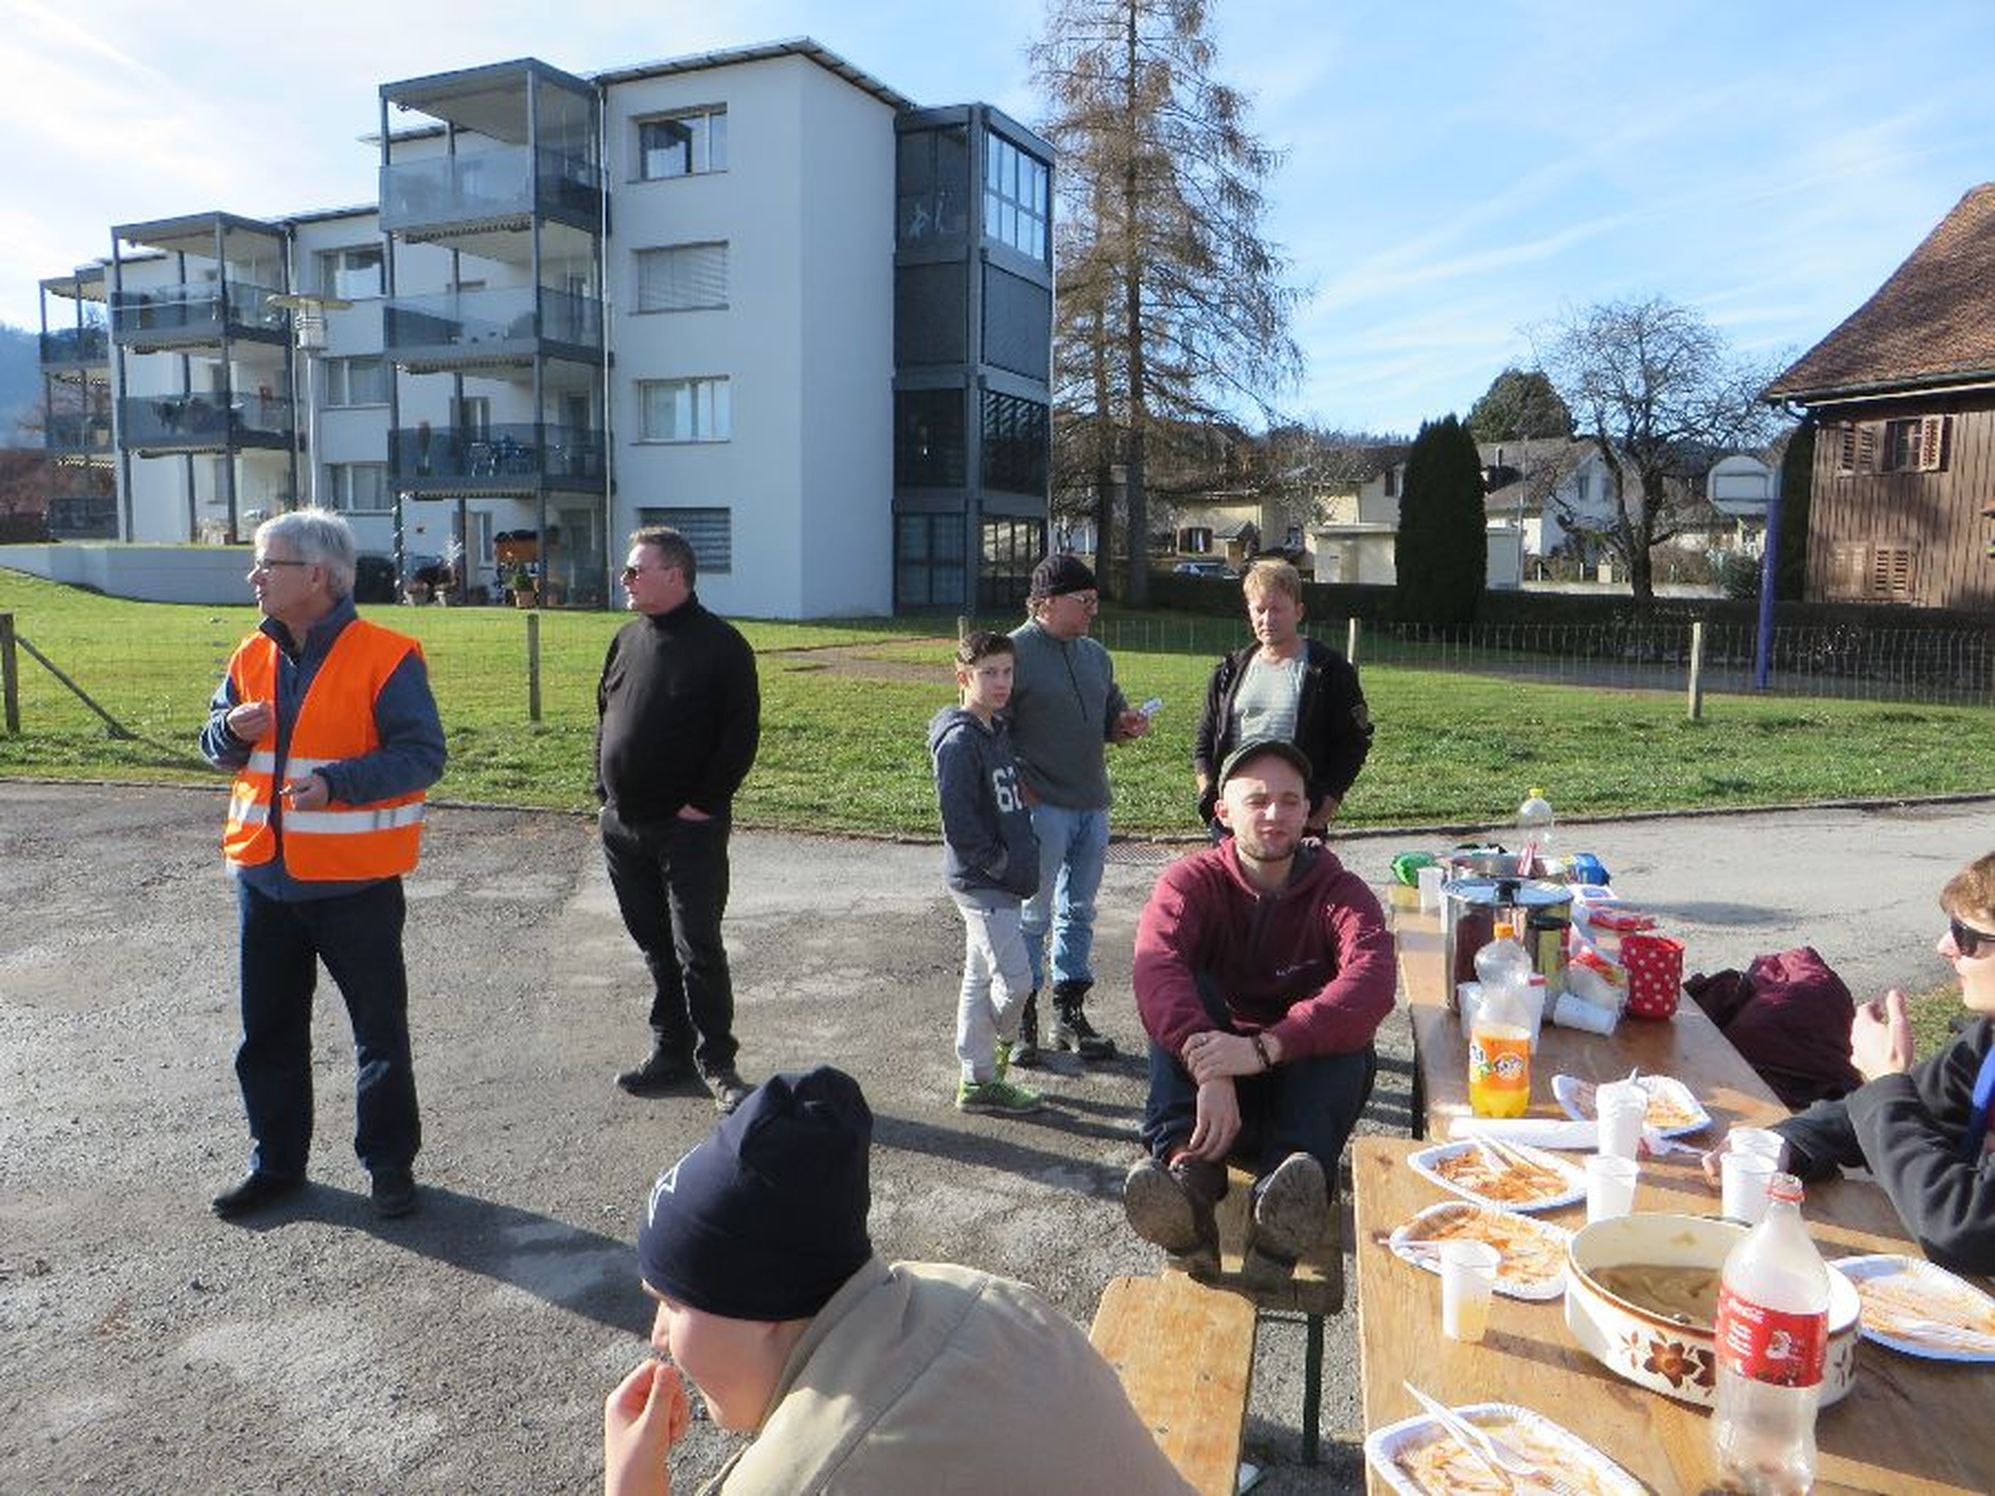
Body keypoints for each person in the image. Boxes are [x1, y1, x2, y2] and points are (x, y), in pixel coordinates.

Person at [602, 1067, 1195, 1496]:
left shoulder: (801, 1480)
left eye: (673, 1304)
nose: (657, 1335)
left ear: (756, 1305)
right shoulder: (979, 1293)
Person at [199, 508, 447, 1220]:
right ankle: (276, 1165)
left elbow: (421, 756)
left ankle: (389, 1167)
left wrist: (337, 784)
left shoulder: (386, 656)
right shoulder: (252, 652)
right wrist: (227, 731)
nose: (254, 576)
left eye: (267, 564)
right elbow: (212, 743)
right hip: (265, 881)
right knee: (267, 1033)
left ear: (317, 576)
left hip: (353, 886)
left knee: (378, 1032)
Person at [1125, 739, 1397, 1276]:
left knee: (1344, 1031)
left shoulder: (1340, 891)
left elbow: (1373, 982)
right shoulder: (1191, 882)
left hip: (1301, 1097)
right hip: (1214, 1106)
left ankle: (1283, 1206)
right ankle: (1188, 1182)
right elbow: (1155, 968)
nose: (1274, 814)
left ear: (1308, 811)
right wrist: (1213, 1067)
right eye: (1257, 800)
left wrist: (1263, 1048)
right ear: (1223, 812)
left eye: (1289, 800)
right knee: (1182, 995)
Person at [1702, 852, 1995, 1275]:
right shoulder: (1987, 1042)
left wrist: (1885, 1083)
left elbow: (1961, 1228)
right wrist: (1785, 1144)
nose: (1944, 946)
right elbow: (1873, 1117)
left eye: (1966, 936)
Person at [598, 526, 760, 1116]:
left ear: (675, 575)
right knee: (655, 947)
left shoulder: (722, 646)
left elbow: (740, 737)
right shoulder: (625, 639)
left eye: (635, 570)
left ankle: (717, 1062)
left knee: (698, 947)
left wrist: (702, 804)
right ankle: (671, 1053)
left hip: (687, 830)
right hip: (624, 827)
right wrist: (603, 795)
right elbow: (605, 716)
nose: (625, 579)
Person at [1006, 554, 1152, 1065]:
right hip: (1041, 808)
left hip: (1093, 804)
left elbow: (1111, 715)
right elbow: (989, 726)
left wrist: (1124, 725)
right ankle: (1020, 1017)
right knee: (1032, 914)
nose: (1094, 609)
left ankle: (1068, 1014)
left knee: (1079, 912)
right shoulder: (1013, 653)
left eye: (1095, 600)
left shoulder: (1096, 655)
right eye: (1084, 601)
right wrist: (1017, 783)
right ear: (1046, 603)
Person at [927, 631, 1044, 1116]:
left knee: (979, 979)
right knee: (1016, 983)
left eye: (1007, 672)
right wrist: (1002, 865)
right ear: (963, 677)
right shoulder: (959, 742)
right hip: (984, 884)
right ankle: (988, 1058)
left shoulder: (996, 729)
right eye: (988, 673)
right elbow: (960, 826)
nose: (1001, 682)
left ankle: (976, 1082)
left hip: (1005, 881)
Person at [1192, 559, 1371, 837]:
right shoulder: (1228, 672)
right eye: (1260, 610)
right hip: (1237, 817)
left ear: (1298, 611)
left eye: (1277, 609)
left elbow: (1353, 742)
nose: (1268, 619)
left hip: (1299, 818)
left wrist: (1327, 806)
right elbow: (1204, 741)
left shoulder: (1329, 670)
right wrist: (1208, 793)